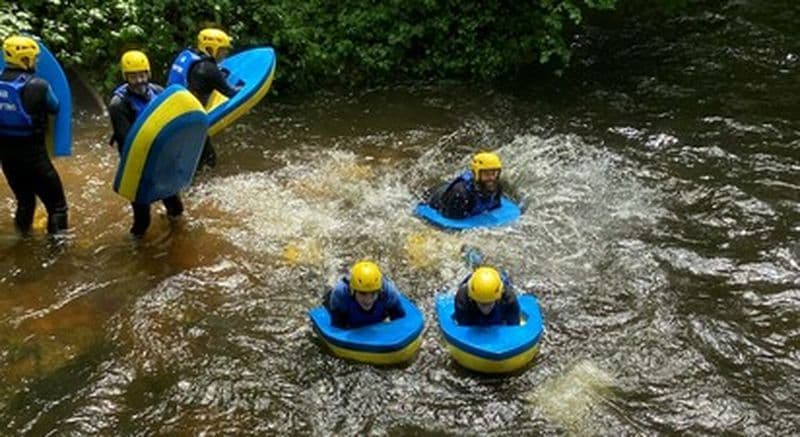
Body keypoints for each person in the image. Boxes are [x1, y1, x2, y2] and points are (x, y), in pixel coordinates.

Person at [108, 50, 183, 238]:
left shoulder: (157, 91)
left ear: (148, 73)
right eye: (133, 76)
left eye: (142, 74)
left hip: (162, 159)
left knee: (176, 209)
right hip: (138, 163)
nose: (140, 80)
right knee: (142, 220)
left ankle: (175, 240)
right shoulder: (119, 104)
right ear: (126, 77)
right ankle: (134, 250)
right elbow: (126, 141)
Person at [0, 35, 68, 235]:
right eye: (34, 58)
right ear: (25, 59)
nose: (37, 61)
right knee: (57, 207)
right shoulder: (39, 85)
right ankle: (59, 255)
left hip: (8, 161)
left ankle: (21, 242)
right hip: (35, 160)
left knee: (25, 203)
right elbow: (55, 107)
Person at [167, 28, 240, 169]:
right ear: (210, 48)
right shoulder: (209, 69)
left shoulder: (188, 55)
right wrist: (244, 87)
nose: (225, 53)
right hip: (189, 119)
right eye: (222, 50)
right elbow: (230, 92)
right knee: (209, 160)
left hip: (173, 110)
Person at [323, 260, 407, 328]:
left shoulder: (387, 292)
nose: (368, 300)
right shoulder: (341, 295)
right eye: (362, 293)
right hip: (337, 304)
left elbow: (400, 320)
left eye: (373, 293)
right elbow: (337, 326)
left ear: (379, 291)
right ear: (353, 291)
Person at [427, 151, 503, 219]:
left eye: (494, 173)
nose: (491, 178)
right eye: (486, 174)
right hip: (433, 197)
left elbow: (494, 208)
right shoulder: (461, 193)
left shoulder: (496, 185)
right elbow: (450, 219)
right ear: (476, 174)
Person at [455, 266, 520, 326]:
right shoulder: (462, 299)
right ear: (473, 298)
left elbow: (514, 327)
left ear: (497, 298)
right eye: (482, 304)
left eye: (489, 303)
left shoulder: (509, 299)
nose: (485, 309)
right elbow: (463, 326)